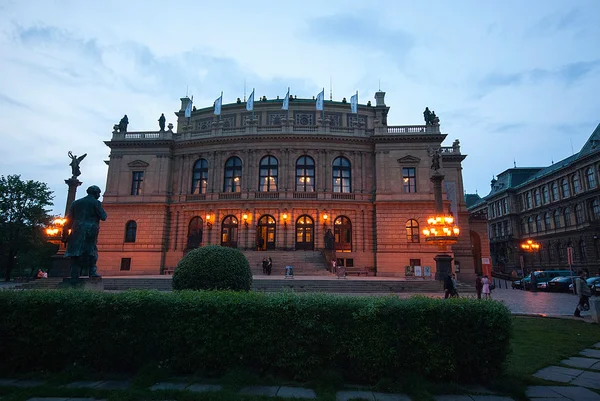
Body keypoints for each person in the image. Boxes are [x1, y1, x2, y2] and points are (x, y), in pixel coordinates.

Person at [62, 185, 108, 279]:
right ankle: (92, 272)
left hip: (77, 230)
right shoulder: (96, 203)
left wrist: (65, 234)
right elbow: (103, 216)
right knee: (92, 251)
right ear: (95, 193)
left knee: (75, 252)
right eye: (98, 193)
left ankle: (74, 274)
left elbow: (68, 220)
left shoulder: (76, 203)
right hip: (91, 230)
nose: (99, 195)